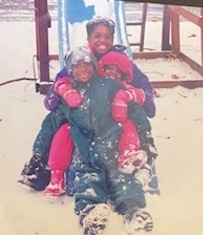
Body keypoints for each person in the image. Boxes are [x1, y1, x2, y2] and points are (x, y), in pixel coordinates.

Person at [19, 16, 157, 195]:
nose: (103, 40)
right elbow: (63, 78)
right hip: (84, 107)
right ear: (89, 39)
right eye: (97, 36)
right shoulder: (82, 57)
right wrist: (58, 92)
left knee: (134, 114)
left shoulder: (119, 59)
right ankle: (42, 166)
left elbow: (142, 84)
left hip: (114, 110)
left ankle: (144, 153)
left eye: (108, 36)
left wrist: (140, 98)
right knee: (57, 121)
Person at [54, 46, 153, 235]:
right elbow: (56, 117)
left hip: (112, 144)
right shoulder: (69, 93)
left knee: (123, 178)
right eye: (77, 66)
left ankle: (133, 211)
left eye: (87, 64)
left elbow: (134, 108)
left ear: (95, 66)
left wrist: (146, 135)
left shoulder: (108, 84)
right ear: (70, 70)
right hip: (85, 148)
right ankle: (90, 213)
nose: (83, 69)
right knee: (87, 178)